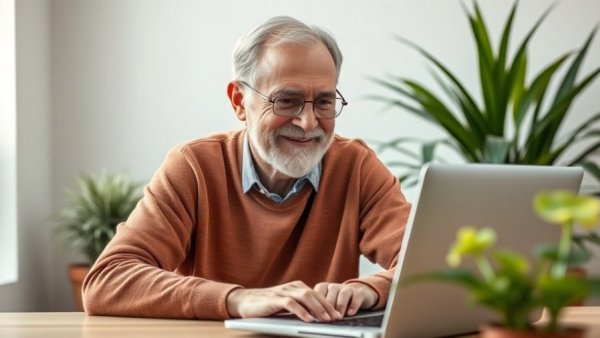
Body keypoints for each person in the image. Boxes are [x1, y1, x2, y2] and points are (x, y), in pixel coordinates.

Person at [82, 15, 410, 322]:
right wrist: (238, 300)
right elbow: (108, 279)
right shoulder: (194, 168)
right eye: (286, 100)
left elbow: (439, 267)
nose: (309, 122)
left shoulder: (356, 167)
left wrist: (367, 290)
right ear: (239, 102)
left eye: (324, 102)